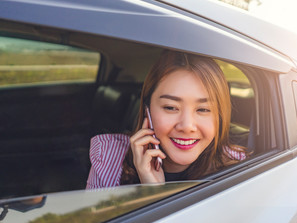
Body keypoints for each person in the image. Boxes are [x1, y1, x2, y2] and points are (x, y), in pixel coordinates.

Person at [86, 50, 247, 189]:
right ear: (147, 109)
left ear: (219, 116)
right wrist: (148, 188)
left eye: (203, 109)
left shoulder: (240, 168)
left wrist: (155, 195)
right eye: (171, 107)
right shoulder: (109, 156)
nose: (187, 126)